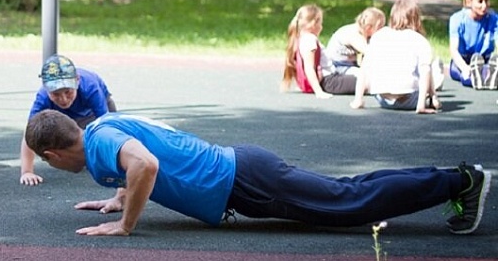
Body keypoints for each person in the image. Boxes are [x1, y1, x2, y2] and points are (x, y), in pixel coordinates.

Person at [25, 110, 491, 236]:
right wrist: (120, 195)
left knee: (350, 203)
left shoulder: (102, 143)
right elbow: (139, 164)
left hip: (245, 179)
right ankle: (453, 178)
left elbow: (147, 163)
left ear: (51, 155)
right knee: (349, 193)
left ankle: (459, 181)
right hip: (243, 175)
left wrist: (125, 225)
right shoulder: (101, 131)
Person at [20, 54, 116, 186]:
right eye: (55, 94)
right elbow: (29, 135)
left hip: (93, 111)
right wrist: (27, 171)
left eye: (68, 92)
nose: (63, 99)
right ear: (46, 88)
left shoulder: (90, 87)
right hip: (64, 115)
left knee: (110, 129)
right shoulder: (43, 97)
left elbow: (105, 124)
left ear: (77, 80)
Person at [350, 0, 441, 114]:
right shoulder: (419, 40)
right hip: (410, 100)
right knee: (427, 66)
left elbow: (365, 68)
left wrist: (358, 99)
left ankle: (433, 94)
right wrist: (421, 105)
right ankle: (433, 96)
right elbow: (425, 71)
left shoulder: (379, 36)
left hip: (382, 99)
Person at [281, 4, 357, 98]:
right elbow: (309, 67)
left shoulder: (301, 38)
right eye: (320, 23)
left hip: (330, 78)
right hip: (329, 81)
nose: (321, 27)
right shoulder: (310, 40)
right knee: (367, 81)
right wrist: (318, 91)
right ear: (314, 24)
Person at [448, 0, 498, 89]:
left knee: (487, 67)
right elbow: (454, 50)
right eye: (480, 2)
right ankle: (478, 78)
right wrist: (465, 68)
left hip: (484, 59)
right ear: (468, 2)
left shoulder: (493, 18)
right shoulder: (457, 19)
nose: (484, 6)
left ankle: (487, 77)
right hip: (463, 59)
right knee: (463, 75)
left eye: (487, 1)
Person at [325, 7, 385, 73]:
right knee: (364, 76)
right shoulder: (353, 33)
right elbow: (370, 53)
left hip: (348, 65)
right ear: (369, 27)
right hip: (336, 67)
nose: (381, 30)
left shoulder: (365, 34)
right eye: (379, 27)